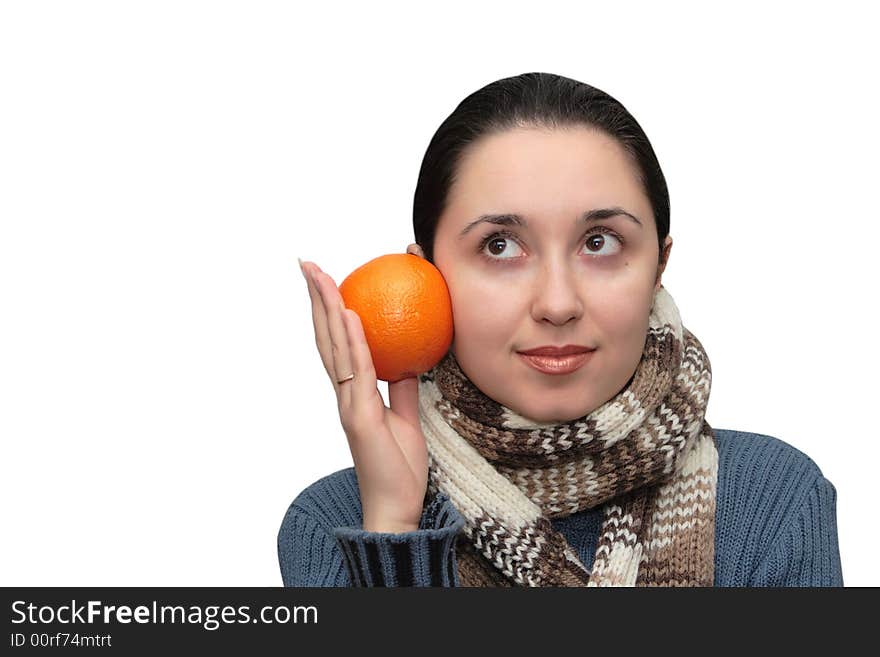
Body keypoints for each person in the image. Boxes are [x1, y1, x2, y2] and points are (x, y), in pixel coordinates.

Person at [279, 72, 843, 587]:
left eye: (599, 242)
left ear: (659, 266)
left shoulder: (774, 503)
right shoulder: (332, 526)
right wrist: (393, 535)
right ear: (427, 275)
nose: (556, 303)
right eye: (499, 246)